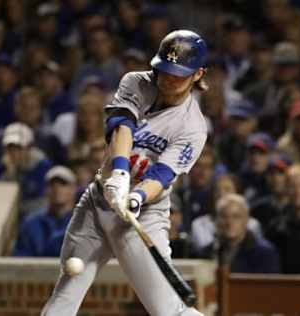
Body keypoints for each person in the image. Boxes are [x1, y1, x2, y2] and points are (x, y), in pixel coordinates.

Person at [41, 30, 208, 316]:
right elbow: (122, 126)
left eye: (178, 75)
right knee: (65, 294)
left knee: (167, 310)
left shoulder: (193, 127)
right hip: (97, 202)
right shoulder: (137, 82)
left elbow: (163, 174)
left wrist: (137, 196)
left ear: (198, 74)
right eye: (164, 71)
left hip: (143, 214)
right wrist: (119, 176)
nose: (168, 80)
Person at [196, 193, 280, 274]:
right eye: (224, 216)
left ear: (246, 220)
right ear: (216, 220)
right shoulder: (207, 252)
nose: (229, 222)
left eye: (236, 217)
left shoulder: (265, 253)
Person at [13, 166, 77, 257]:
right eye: (52, 185)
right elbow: (20, 258)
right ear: (46, 190)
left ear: (73, 189)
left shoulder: (84, 223)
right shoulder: (31, 223)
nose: (57, 189)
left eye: (63, 184)